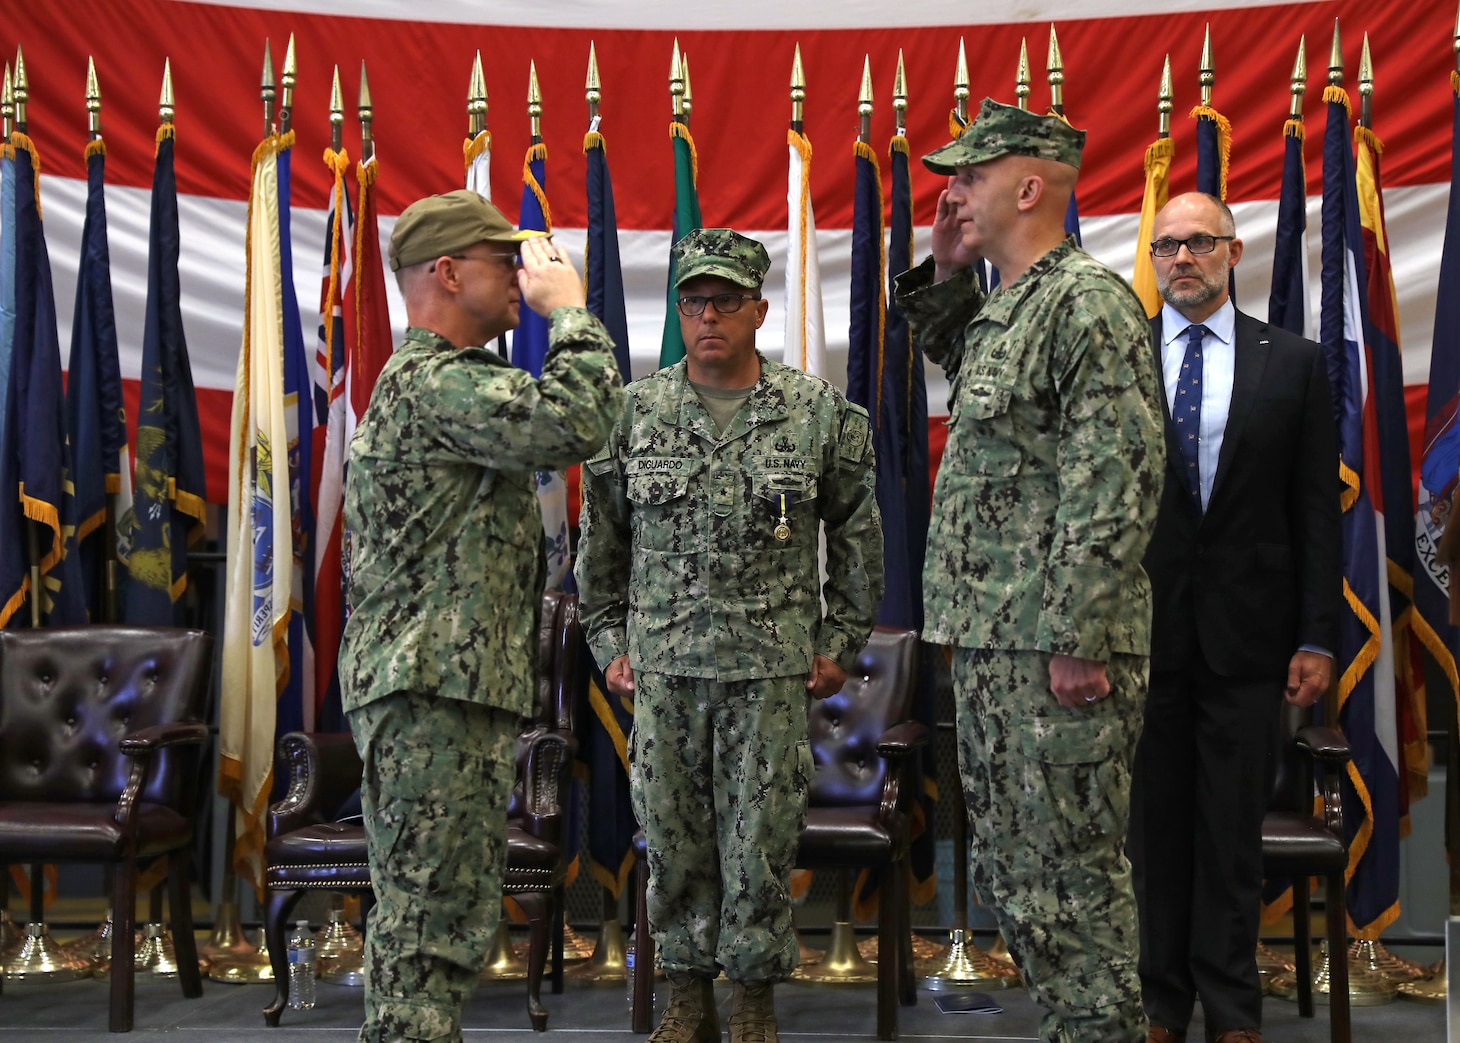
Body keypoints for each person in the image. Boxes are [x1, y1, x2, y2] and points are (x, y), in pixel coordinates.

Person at [893, 97, 1164, 1043]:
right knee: (1019, 873)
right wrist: (949, 269)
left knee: (1071, 870)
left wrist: (1077, 636)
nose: (955, 190)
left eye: (970, 175)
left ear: (1031, 183)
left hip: (1055, 648)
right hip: (996, 640)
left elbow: (1116, 478)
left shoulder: (1087, 301)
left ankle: (1101, 1032)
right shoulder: (1012, 305)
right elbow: (949, 351)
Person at [575, 228, 883, 1043]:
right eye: (693, 300)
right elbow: (597, 551)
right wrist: (610, 648)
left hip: (771, 674)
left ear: (759, 308)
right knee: (674, 845)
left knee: (761, 844)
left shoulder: (815, 413)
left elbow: (858, 537)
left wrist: (841, 641)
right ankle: (686, 994)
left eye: (723, 300)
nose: (706, 315)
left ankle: (752, 999)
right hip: (666, 672)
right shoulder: (632, 415)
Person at [339, 189, 624, 1043]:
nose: (522, 276)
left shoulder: (447, 385)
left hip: (444, 690)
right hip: (431, 693)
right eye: (504, 261)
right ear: (448, 273)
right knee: (431, 929)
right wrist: (570, 312)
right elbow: (579, 416)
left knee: (440, 920)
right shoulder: (436, 384)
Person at [1130, 192, 1340, 1043]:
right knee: (1155, 836)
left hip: (1253, 640)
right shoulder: (1122, 358)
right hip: (1139, 639)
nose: (1182, 258)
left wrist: (1319, 633)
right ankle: (1159, 1004)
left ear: (1234, 251)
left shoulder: (1290, 361)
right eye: (1167, 246)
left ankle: (1232, 1011)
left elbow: (1316, 511)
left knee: (1230, 837)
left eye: (1199, 244)